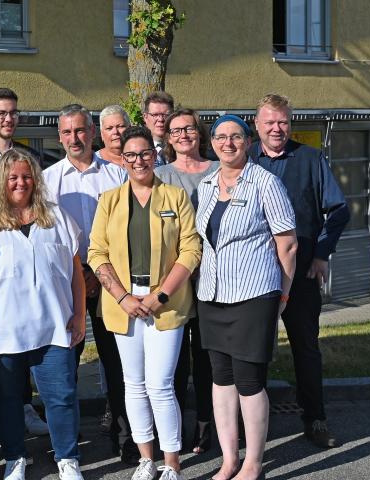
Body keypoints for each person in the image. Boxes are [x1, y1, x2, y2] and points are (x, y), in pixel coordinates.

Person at [88, 126, 201, 480]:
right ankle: (145, 459)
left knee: (161, 385)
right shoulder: (109, 200)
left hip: (165, 304)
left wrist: (160, 295)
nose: (139, 161)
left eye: (146, 153)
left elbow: (191, 249)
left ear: (156, 155)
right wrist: (121, 296)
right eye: (132, 155)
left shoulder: (174, 197)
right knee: (133, 384)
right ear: (123, 160)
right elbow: (97, 252)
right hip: (123, 304)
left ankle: (172, 463)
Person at [197, 115, 297, 480]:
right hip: (212, 294)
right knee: (221, 378)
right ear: (212, 143)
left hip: (255, 292)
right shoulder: (206, 183)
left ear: (248, 141)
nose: (228, 143)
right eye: (220, 137)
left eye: (235, 136)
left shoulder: (265, 182)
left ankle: (253, 463)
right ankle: (229, 460)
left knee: (249, 380)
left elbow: (287, 243)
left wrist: (281, 296)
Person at [0, 149, 87, 480]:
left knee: (62, 397)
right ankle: (15, 457)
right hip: (4, 331)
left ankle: (68, 458)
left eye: (26, 176)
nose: (20, 183)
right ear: (0, 182)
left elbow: (76, 272)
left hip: (54, 328)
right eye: (12, 177)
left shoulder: (56, 217)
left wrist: (80, 316)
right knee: (8, 399)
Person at [250, 93, 349, 449]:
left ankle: (315, 418)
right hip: (254, 276)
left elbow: (338, 210)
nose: (277, 128)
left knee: (306, 349)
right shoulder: (243, 161)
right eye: (270, 122)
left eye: (283, 122)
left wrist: (322, 254)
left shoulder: (310, 159)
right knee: (253, 353)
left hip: (303, 272)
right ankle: (252, 428)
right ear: (257, 124)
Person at [42, 104, 133, 463]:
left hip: (111, 279)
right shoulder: (49, 180)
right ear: (59, 136)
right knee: (66, 363)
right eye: (66, 132)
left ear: (92, 132)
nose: (74, 139)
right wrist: (80, 274)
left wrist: (98, 273)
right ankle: (68, 438)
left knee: (117, 362)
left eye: (80, 131)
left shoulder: (116, 175)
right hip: (68, 283)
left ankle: (125, 436)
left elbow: (125, 228)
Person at [154, 108, 218, 454]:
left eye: (188, 129)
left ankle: (207, 428)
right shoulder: (160, 175)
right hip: (174, 279)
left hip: (213, 277)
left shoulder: (220, 170)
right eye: (175, 130)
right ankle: (173, 433)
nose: (182, 135)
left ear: (199, 133)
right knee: (175, 361)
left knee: (207, 356)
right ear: (167, 137)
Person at [142, 91, 175, 166]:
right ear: (145, 117)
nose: (161, 119)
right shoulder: (138, 150)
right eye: (155, 115)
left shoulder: (182, 147)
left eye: (166, 115)